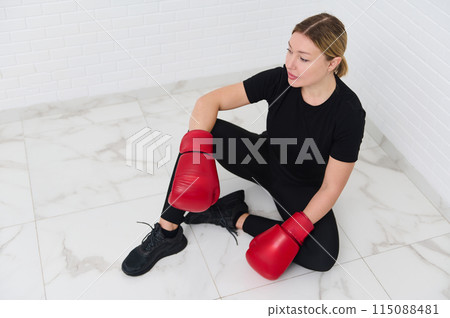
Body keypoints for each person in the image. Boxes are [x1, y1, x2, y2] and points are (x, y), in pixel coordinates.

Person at [122, 12, 365, 279]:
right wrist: (193, 155)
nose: (291, 64)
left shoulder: (348, 113)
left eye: (303, 58)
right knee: (205, 132)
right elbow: (208, 102)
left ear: (333, 63)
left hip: (301, 186)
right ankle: (168, 231)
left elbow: (331, 187)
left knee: (323, 257)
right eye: (289, 51)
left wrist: (294, 230)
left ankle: (232, 214)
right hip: (263, 157)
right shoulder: (279, 79)